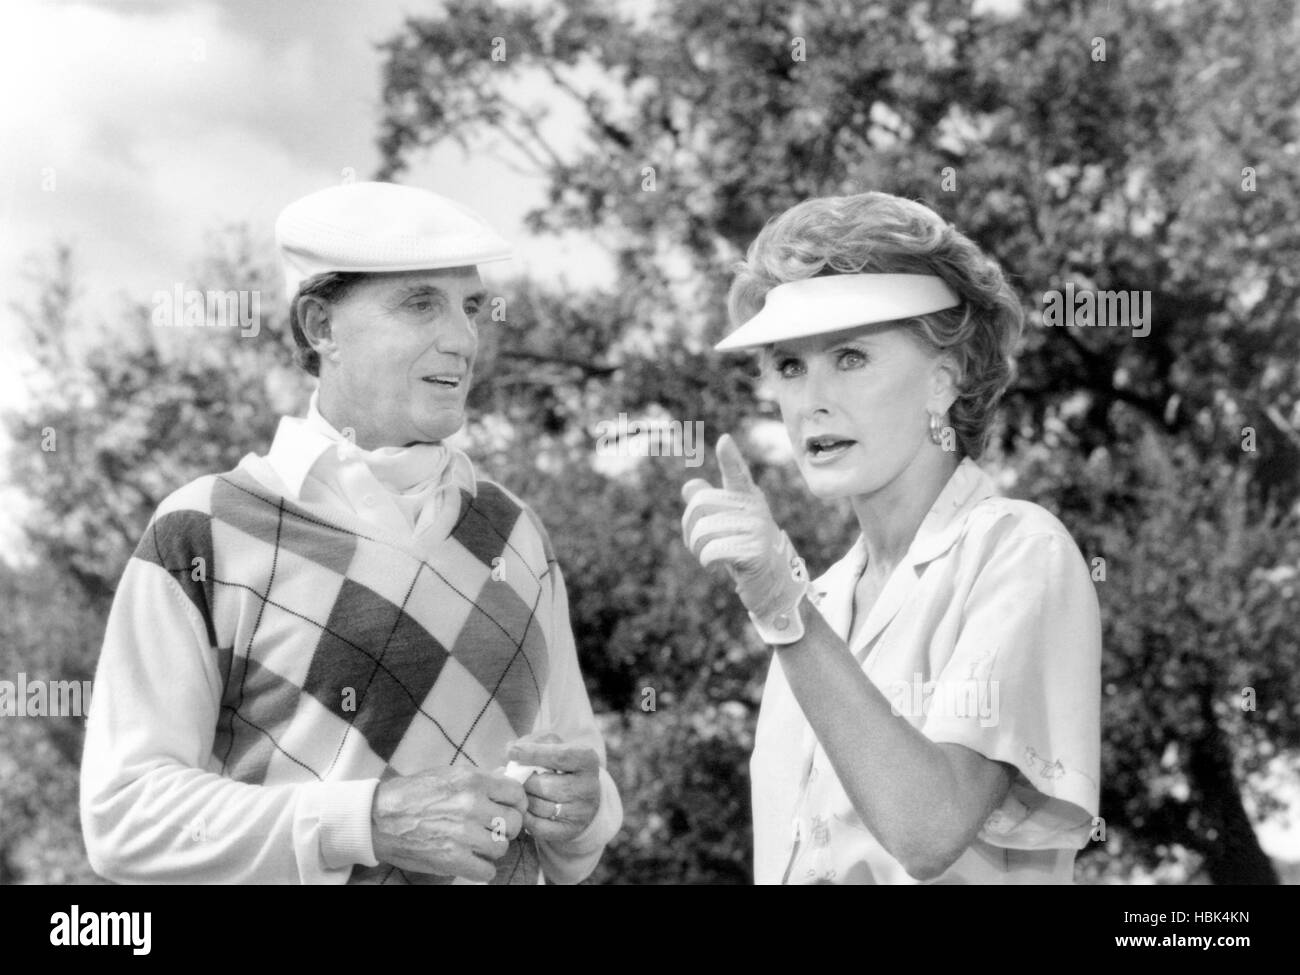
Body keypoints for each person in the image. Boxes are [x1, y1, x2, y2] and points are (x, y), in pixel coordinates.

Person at [81, 180, 622, 884]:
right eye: (419, 302)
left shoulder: (517, 532)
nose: (462, 338)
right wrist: (367, 820)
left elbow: (581, 795)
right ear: (319, 326)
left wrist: (584, 810)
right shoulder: (203, 530)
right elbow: (124, 817)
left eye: (470, 307)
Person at [682, 192, 1101, 884]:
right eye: (789, 365)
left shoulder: (1019, 550)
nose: (811, 397)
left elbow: (929, 827)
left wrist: (779, 605)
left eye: (850, 357)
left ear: (945, 378)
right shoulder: (818, 598)